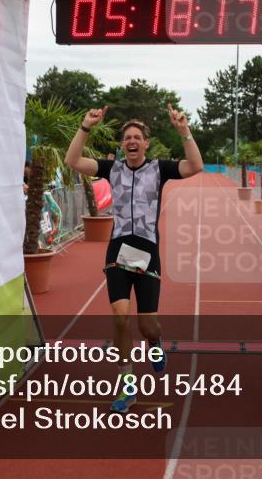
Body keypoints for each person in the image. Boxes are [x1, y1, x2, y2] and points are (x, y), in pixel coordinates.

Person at [65, 104, 203, 413]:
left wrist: (184, 130)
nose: (132, 141)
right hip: (118, 250)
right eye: (127, 137)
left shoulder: (159, 169)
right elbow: (72, 161)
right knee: (120, 316)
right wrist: (85, 126)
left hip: (147, 251)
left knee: (148, 326)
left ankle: (155, 343)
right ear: (122, 144)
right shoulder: (111, 168)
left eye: (137, 137)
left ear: (145, 144)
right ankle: (127, 386)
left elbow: (195, 165)